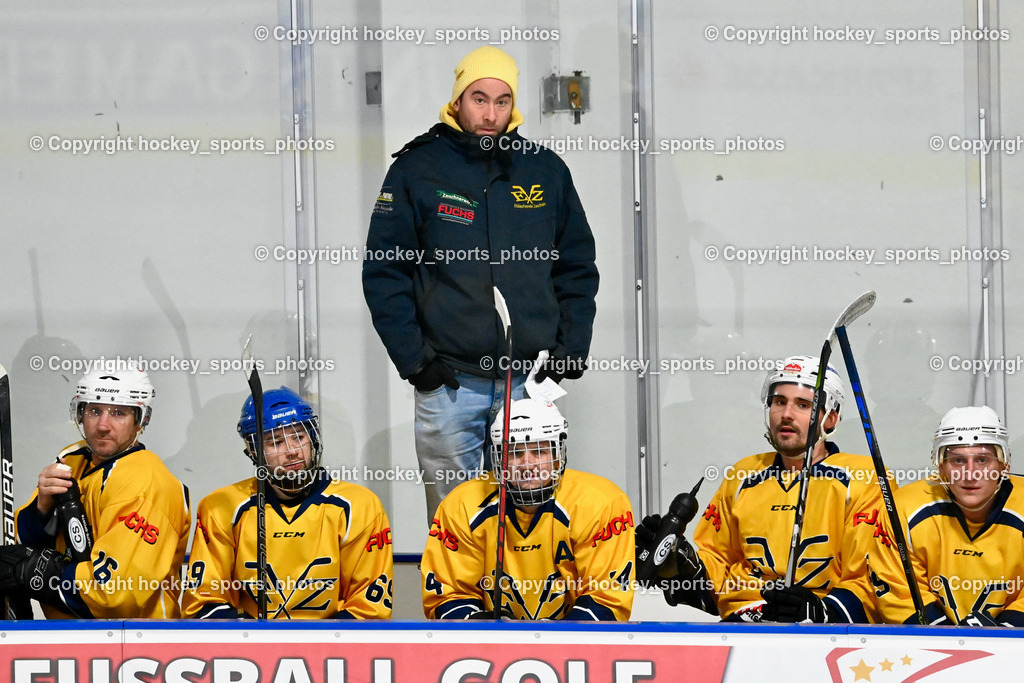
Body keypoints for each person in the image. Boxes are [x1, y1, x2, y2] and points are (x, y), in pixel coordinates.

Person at [362, 45, 599, 522]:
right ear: (456, 102)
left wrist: (572, 345)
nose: (490, 113)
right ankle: (459, 601)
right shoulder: (415, 169)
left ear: (514, 107)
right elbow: (385, 272)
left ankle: (521, 599)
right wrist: (417, 365)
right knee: (456, 525)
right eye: (479, 98)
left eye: (502, 100)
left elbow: (575, 265)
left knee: (531, 518)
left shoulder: (544, 170)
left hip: (529, 385)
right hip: (450, 384)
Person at [637, 356, 896, 623]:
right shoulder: (743, 475)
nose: (786, 414)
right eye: (779, 401)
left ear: (830, 418)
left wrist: (820, 612)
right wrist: (679, 568)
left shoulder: (866, 479)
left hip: (824, 637)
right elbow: (716, 581)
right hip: (741, 628)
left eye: (803, 405)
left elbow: (875, 578)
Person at [182, 387, 393, 619]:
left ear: (312, 439)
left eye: (298, 437)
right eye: (276, 442)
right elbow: (203, 604)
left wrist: (311, 647)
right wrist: (260, 642)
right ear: (254, 450)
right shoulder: (222, 507)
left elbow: (369, 610)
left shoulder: (359, 506)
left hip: (331, 649)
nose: (292, 451)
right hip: (253, 649)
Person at [2, 365, 191, 618]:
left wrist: (36, 572)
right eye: (94, 410)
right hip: (73, 639)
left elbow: (116, 593)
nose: (103, 425)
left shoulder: (147, 482)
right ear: (80, 413)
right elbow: (23, 544)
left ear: (140, 420)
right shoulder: (73, 462)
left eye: (118, 412)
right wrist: (40, 511)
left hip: (135, 642)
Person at [421, 398, 634, 621]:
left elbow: (605, 599)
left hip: (574, 649)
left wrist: (553, 642)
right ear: (499, 458)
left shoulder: (600, 502)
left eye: (539, 451)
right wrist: (486, 631)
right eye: (515, 453)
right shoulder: (461, 506)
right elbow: (448, 596)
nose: (527, 465)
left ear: (557, 455)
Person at [873, 406, 1024, 626]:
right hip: (929, 646)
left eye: (982, 460)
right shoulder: (903, 508)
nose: (970, 473)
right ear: (940, 466)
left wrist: (1002, 635)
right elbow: (897, 588)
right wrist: (945, 635)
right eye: (958, 461)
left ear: (1004, 464)